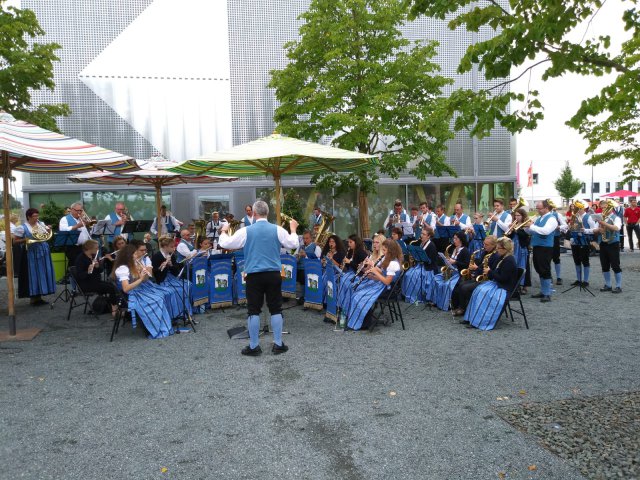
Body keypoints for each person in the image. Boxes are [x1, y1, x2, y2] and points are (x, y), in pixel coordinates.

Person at [218, 200, 299, 356]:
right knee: (276, 308)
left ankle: (254, 346)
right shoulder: (277, 229)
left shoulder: (246, 231)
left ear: (254, 213)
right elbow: (293, 244)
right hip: (273, 274)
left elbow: (226, 244)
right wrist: (293, 229)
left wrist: (224, 231)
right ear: (267, 213)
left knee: (253, 310)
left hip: (254, 275)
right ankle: (278, 344)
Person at [112, 243, 174, 339]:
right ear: (128, 255)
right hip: (130, 294)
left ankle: (165, 322)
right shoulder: (123, 268)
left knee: (163, 294)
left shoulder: (133, 264)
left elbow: (143, 279)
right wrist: (140, 278)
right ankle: (155, 327)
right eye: (135, 254)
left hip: (138, 289)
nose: (137, 256)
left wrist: (142, 272)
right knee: (158, 299)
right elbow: (126, 288)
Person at [345, 238, 403, 330]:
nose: (383, 252)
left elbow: (387, 281)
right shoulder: (387, 259)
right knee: (357, 292)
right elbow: (382, 275)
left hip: (388, 290)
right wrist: (371, 275)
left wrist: (375, 271)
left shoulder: (393, 263)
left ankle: (364, 323)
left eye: (384, 250)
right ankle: (362, 320)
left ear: (391, 251)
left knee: (359, 296)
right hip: (381, 285)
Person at [464, 236, 518, 330]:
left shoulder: (509, 260)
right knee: (478, 290)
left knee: (483, 294)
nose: (497, 250)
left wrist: (489, 272)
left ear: (505, 249)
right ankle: (471, 318)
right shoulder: (503, 257)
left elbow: (503, 279)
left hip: (504, 288)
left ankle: (480, 321)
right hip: (498, 284)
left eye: (498, 248)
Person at [13, 208, 56, 306]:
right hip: (31, 252)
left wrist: (49, 230)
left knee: (43, 273)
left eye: (37, 215)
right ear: (28, 217)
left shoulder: (41, 224)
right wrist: (25, 239)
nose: (37, 218)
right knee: (34, 274)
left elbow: (46, 236)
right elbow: (15, 241)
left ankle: (39, 297)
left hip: (43, 251)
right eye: (34, 216)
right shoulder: (22, 228)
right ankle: (33, 298)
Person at [451, 235, 499, 317]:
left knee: (464, 287)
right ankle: (462, 306)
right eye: (484, 244)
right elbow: (480, 264)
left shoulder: (495, 256)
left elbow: (491, 271)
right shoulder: (485, 252)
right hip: (479, 276)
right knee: (461, 284)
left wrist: (476, 268)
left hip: (488, 280)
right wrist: (474, 269)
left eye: (486, 245)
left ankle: (466, 308)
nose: (484, 246)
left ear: (493, 246)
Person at [151, 236, 192, 321]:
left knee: (188, 285)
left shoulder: (171, 255)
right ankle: (176, 314)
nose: (174, 248)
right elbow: (154, 272)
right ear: (165, 247)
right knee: (179, 289)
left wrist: (171, 265)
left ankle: (187, 312)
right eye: (172, 247)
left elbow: (176, 272)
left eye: (174, 246)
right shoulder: (156, 256)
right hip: (163, 279)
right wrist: (161, 267)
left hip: (172, 277)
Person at [73, 239, 118, 315]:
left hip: (96, 281)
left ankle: (111, 306)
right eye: (96, 248)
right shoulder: (80, 259)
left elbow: (100, 270)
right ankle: (114, 309)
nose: (98, 250)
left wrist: (97, 267)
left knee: (113, 286)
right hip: (86, 284)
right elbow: (80, 276)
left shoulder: (93, 256)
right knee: (111, 288)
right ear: (89, 248)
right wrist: (88, 271)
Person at [431, 230, 470, 311]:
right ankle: (437, 301)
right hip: (451, 271)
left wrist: (455, 262)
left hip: (458, 273)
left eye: (456, 239)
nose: (453, 240)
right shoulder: (454, 249)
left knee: (447, 284)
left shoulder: (465, 251)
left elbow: (466, 264)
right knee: (436, 278)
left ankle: (447, 305)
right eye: (453, 238)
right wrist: (447, 260)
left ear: (461, 240)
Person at [528, 200, 558, 302]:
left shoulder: (552, 219)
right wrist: (526, 228)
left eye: (539, 208)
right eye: (537, 208)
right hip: (537, 246)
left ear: (546, 208)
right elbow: (534, 231)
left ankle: (547, 293)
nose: (537, 210)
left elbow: (546, 231)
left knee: (545, 269)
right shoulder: (539, 218)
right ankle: (543, 291)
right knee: (539, 268)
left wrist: (532, 226)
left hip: (545, 247)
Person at [402, 225, 439, 304]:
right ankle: (408, 295)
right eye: (421, 233)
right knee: (407, 274)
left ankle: (416, 297)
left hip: (428, 268)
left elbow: (430, 261)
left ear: (428, 236)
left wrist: (419, 258)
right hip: (420, 265)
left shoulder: (432, 245)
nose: (421, 235)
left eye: (424, 234)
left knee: (413, 276)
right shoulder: (421, 243)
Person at [593, 200, 623, 293]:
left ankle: (618, 286)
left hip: (613, 243)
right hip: (603, 243)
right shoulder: (601, 218)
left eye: (605, 207)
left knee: (615, 265)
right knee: (604, 265)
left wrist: (604, 224)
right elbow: (594, 230)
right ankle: (608, 285)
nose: (603, 209)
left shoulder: (616, 218)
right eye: (602, 208)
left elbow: (617, 228)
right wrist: (599, 230)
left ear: (610, 207)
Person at [567, 200, 596, 287]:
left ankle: (586, 281)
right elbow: (571, 228)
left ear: (583, 208)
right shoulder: (574, 217)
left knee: (585, 261)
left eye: (578, 208)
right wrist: (569, 226)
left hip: (584, 241)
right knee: (576, 260)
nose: (575, 209)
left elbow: (594, 229)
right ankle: (579, 279)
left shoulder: (588, 217)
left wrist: (585, 230)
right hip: (575, 241)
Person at [508, 208, 532, 293]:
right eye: (515, 215)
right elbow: (510, 237)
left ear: (523, 216)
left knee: (523, 266)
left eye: (519, 215)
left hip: (522, 248)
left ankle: (524, 285)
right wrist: (510, 230)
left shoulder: (526, 224)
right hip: (514, 247)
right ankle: (515, 285)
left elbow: (525, 235)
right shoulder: (515, 224)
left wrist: (516, 229)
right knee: (514, 265)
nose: (516, 217)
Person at [548, 200, 568, 285]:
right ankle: (549, 276)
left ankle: (559, 277)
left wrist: (559, 227)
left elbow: (565, 225)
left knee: (556, 258)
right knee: (547, 259)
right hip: (546, 238)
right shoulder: (542, 216)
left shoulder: (557, 214)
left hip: (555, 238)